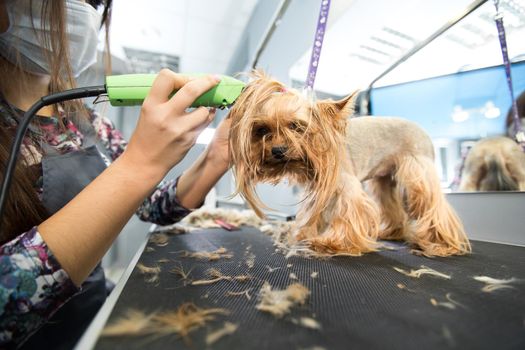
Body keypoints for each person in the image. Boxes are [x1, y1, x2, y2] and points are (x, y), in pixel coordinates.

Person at [0, 0, 232, 348]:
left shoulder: (85, 120)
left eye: (95, 2)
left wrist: (216, 157)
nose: (84, 9)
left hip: (92, 324)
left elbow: (153, 205)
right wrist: (138, 165)